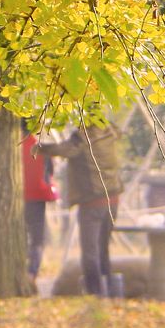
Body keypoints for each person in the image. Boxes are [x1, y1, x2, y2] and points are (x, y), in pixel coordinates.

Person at [39, 121, 124, 297]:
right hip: (113, 200)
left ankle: (95, 293)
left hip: (92, 201)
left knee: (90, 252)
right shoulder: (109, 131)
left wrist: (40, 148)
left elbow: (64, 150)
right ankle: (110, 289)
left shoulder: (82, 138)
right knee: (103, 248)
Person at [21, 120, 59, 281]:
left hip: (19, 198)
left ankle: (20, 268)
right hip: (37, 198)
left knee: (21, 234)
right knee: (37, 238)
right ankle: (32, 272)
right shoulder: (40, 148)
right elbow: (50, 173)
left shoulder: (12, 149)